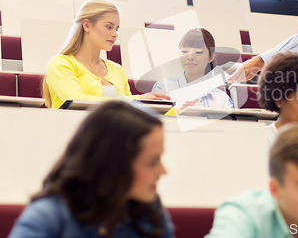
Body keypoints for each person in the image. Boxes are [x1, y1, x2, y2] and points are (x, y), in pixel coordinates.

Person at [8, 101, 175, 238]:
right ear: (113, 165)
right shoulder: (48, 216)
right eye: (152, 162)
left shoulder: (149, 210)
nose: (164, 171)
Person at [43, 0, 168, 109]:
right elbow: (77, 101)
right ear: (86, 25)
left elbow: (130, 112)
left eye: (117, 28)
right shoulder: (60, 64)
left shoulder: (117, 69)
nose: (115, 34)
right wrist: (137, 99)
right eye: (109, 27)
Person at [152, 28, 233, 109]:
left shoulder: (222, 99)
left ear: (211, 57)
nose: (190, 57)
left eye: (198, 52)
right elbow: (153, 120)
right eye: (184, 51)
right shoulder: (163, 87)